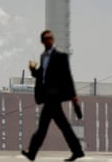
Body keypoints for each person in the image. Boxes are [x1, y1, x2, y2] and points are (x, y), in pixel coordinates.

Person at [22, 30, 84, 161]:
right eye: (46, 38)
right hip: (47, 96)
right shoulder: (43, 56)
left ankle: (32, 153)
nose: (48, 40)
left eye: (50, 38)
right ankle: (77, 150)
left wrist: (74, 98)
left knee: (44, 126)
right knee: (61, 126)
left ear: (53, 40)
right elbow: (41, 76)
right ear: (42, 41)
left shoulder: (60, 56)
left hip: (54, 96)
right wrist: (33, 70)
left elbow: (67, 77)